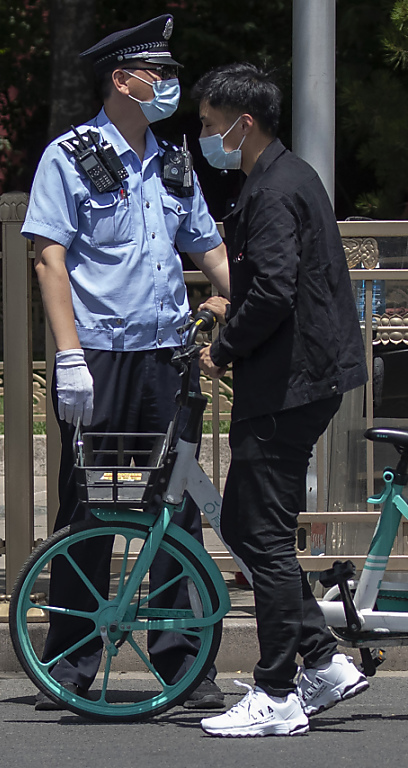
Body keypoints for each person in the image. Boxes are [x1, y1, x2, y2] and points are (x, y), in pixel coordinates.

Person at [21, 14, 231, 711]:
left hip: (165, 358)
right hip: (101, 359)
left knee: (175, 511)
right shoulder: (70, 155)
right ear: (122, 79)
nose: (170, 86)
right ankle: (72, 664)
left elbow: (206, 247)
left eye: (171, 75)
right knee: (91, 506)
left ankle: (184, 663)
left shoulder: (174, 160)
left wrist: (240, 294)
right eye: (160, 75)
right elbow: (50, 259)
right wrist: (70, 356)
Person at [193, 63, 369, 738]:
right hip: (301, 378)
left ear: (245, 123)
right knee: (243, 523)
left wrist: (224, 347)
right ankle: (322, 665)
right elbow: (270, 282)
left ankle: (276, 694)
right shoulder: (287, 178)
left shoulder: (272, 190)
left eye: (211, 126)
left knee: (261, 536)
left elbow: (272, 293)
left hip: (288, 384)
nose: (206, 138)